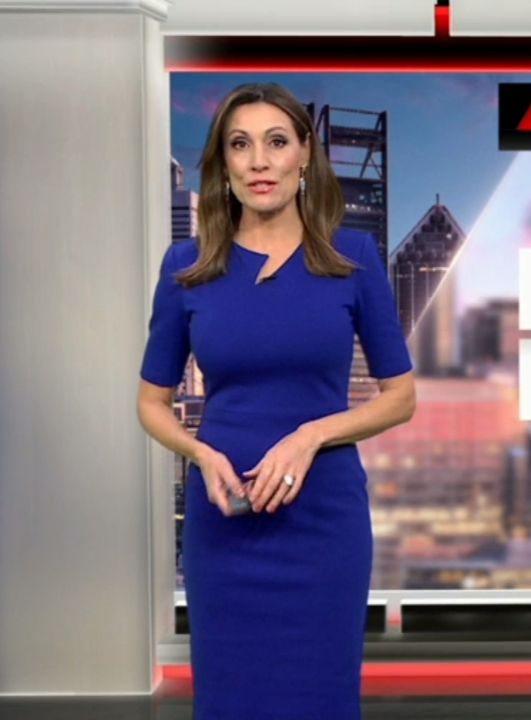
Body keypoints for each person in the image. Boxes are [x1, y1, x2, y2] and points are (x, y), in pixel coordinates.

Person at [137, 82, 416, 720]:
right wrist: (200, 454)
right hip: (225, 520)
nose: (259, 161)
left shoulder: (352, 257)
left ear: (305, 154)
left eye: (276, 142)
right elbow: (151, 403)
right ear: (224, 163)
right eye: (240, 145)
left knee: (321, 697)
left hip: (323, 525)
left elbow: (400, 398)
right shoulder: (187, 267)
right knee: (230, 699)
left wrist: (310, 435)